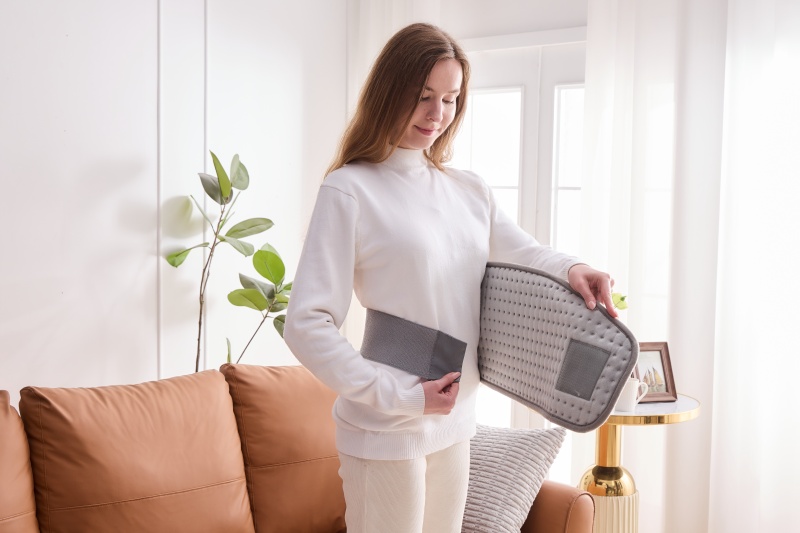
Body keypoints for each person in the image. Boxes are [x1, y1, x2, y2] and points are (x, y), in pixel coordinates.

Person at [283, 22, 616, 533]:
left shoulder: (468, 190)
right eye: (423, 96)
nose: (437, 114)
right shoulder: (349, 190)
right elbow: (306, 324)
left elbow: (524, 252)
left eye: (450, 99)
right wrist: (398, 394)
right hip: (386, 430)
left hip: (455, 423)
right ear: (389, 91)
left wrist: (573, 268)